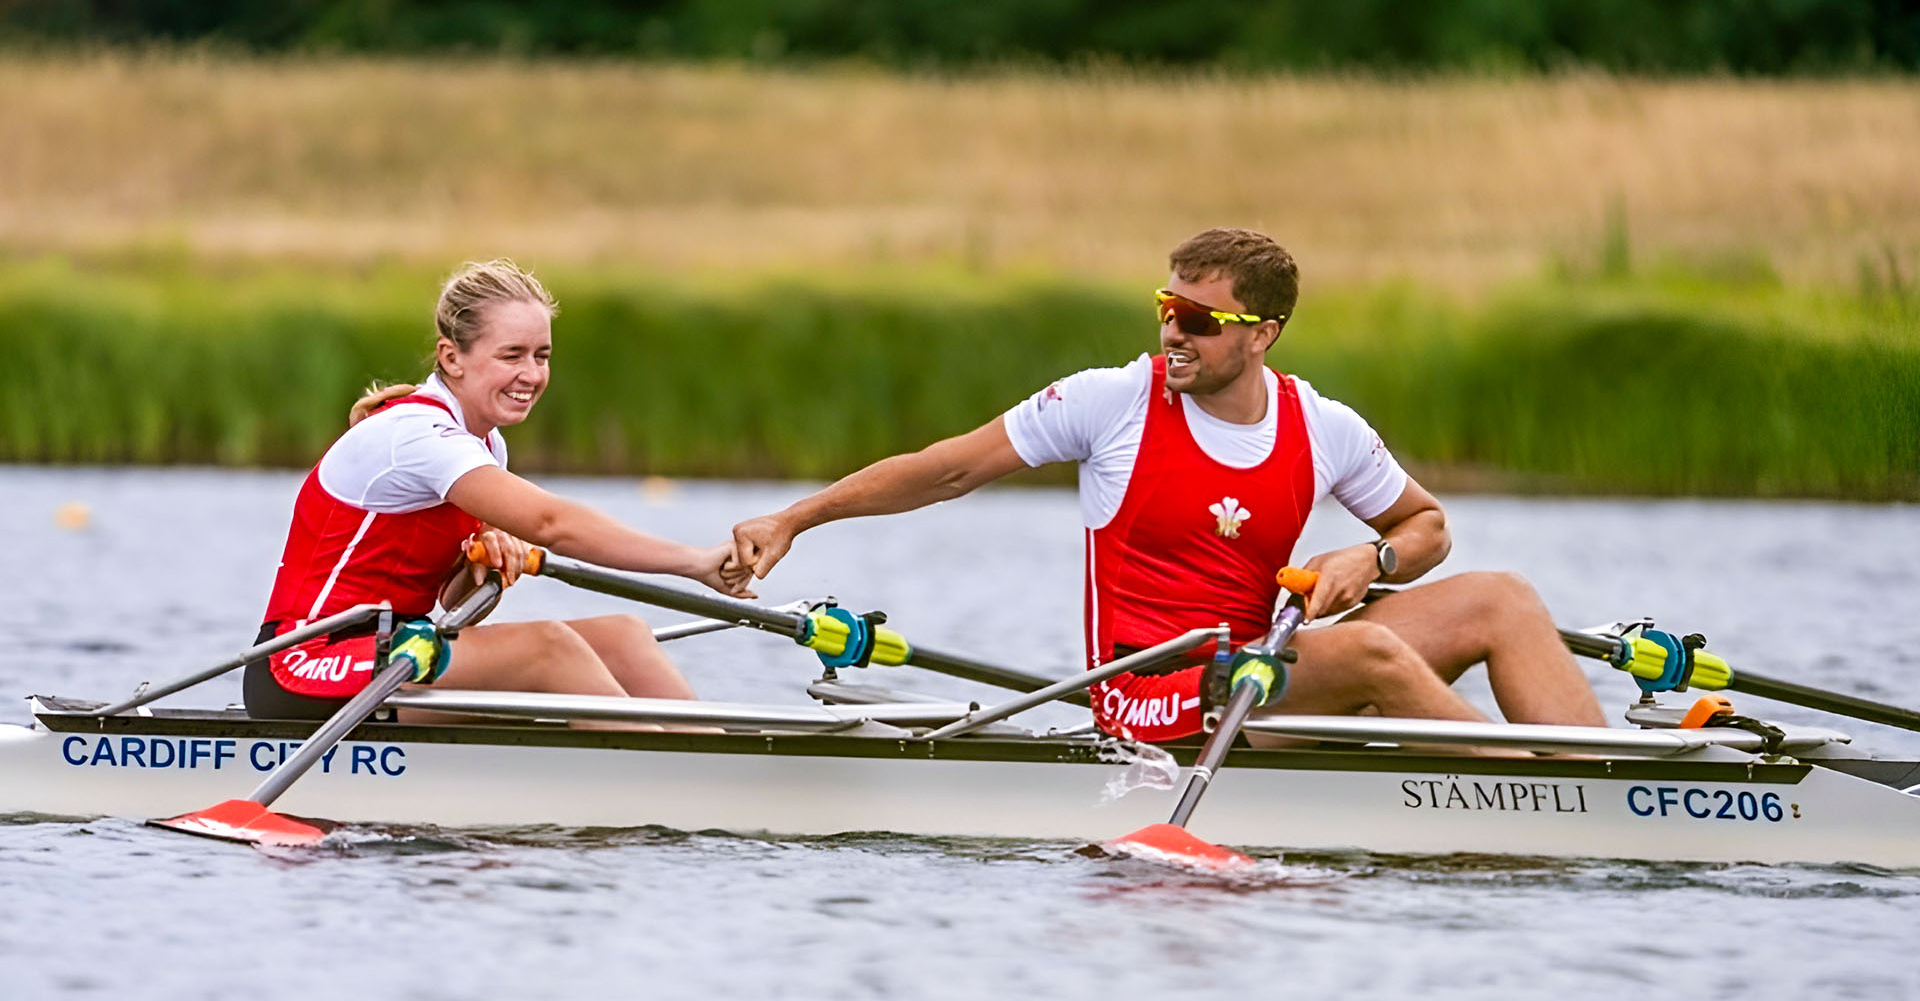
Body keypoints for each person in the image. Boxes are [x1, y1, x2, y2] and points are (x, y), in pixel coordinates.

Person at [726, 228, 1605, 743]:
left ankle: (1604, 787)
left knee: (1501, 597)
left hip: (1259, 664)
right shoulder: (1111, 401)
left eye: (1198, 319)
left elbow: (1429, 528)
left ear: (1262, 334)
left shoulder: (1322, 426)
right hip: (1150, 691)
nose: (1172, 332)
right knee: (1372, 654)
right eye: (1166, 308)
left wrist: (1371, 556)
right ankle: (1524, 793)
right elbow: (948, 466)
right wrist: (801, 517)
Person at [245, 259, 748, 721]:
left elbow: (454, 600)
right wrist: (694, 563)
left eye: (542, 355)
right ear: (452, 356)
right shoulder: (415, 434)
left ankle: (721, 768)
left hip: (400, 649)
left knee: (624, 636)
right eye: (512, 355)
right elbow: (552, 525)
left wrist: (482, 564)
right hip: (303, 664)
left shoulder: (487, 446)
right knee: (548, 648)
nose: (531, 374)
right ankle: (670, 785)